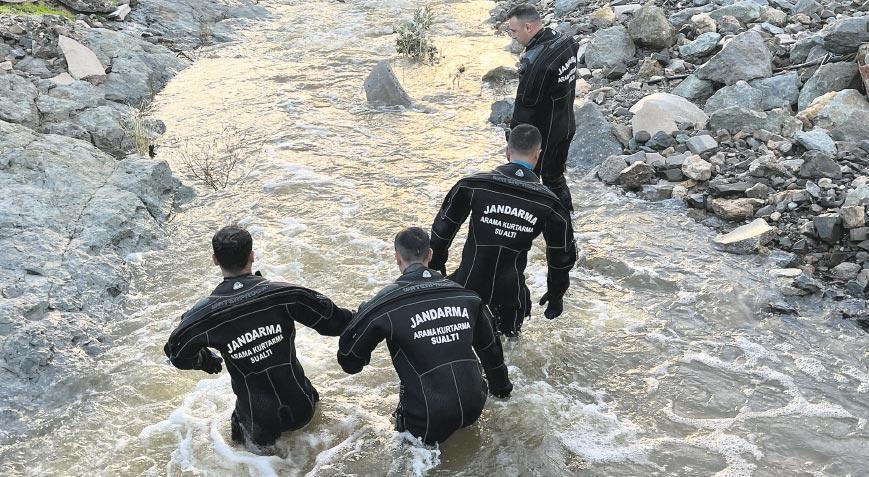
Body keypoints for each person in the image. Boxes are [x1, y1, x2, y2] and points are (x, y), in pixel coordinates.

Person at [164, 226, 353, 448]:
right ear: (252, 255)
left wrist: (206, 360)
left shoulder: (204, 315)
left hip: (257, 421)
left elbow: (177, 353)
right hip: (303, 406)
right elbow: (338, 322)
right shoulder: (286, 294)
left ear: (215, 260)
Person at [337, 227, 512, 445]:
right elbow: (492, 353)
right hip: (475, 404)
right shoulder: (466, 296)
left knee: (408, 454)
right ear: (430, 255)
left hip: (427, 418)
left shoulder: (385, 304)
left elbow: (349, 361)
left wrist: (361, 316)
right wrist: (503, 391)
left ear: (397, 257)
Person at [430, 124, 577, 338]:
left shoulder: (473, 185)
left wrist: (435, 268)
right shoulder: (550, 204)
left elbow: (441, 232)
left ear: (507, 151)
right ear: (538, 155)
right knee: (508, 354)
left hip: (467, 286)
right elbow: (561, 256)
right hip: (510, 294)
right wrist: (556, 293)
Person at [506, 4, 579, 211]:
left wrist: (513, 142)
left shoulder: (536, 64)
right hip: (566, 125)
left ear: (528, 27)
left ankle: (533, 230)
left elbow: (524, 109)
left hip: (545, 135)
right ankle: (567, 225)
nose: (513, 36)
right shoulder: (566, 41)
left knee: (528, 180)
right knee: (555, 177)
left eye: (514, 31)